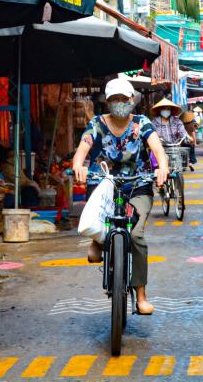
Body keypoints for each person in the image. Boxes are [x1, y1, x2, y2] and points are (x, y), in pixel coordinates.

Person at [72, 78, 169, 315]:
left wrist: (162, 167)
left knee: (136, 235)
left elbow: (157, 149)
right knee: (101, 218)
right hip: (105, 184)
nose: (119, 104)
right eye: (114, 99)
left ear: (131, 101)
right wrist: (79, 167)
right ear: (107, 101)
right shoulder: (96, 124)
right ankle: (98, 239)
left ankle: (141, 296)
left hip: (138, 185)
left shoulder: (142, 123)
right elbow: (82, 151)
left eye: (123, 99)